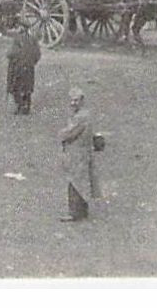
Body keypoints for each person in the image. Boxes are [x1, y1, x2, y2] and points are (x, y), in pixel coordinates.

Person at [58, 87, 98, 222]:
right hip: (82, 152)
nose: (73, 103)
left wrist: (61, 134)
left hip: (77, 153)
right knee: (81, 181)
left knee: (74, 182)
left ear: (82, 101)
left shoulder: (81, 117)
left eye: (75, 100)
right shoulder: (84, 114)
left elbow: (70, 133)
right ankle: (82, 210)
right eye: (71, 100)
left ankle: (75, 212)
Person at [6, 21, 41, 115]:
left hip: (18, 67)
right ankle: (26, 107)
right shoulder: (33, 39)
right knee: (27, 88)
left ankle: (20, 106)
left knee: (16, 87)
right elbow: (37, 55)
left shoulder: (17, 39)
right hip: (29, 68)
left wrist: (12, 57)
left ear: (22, 28)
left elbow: (11, 53)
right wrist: (32, 62)